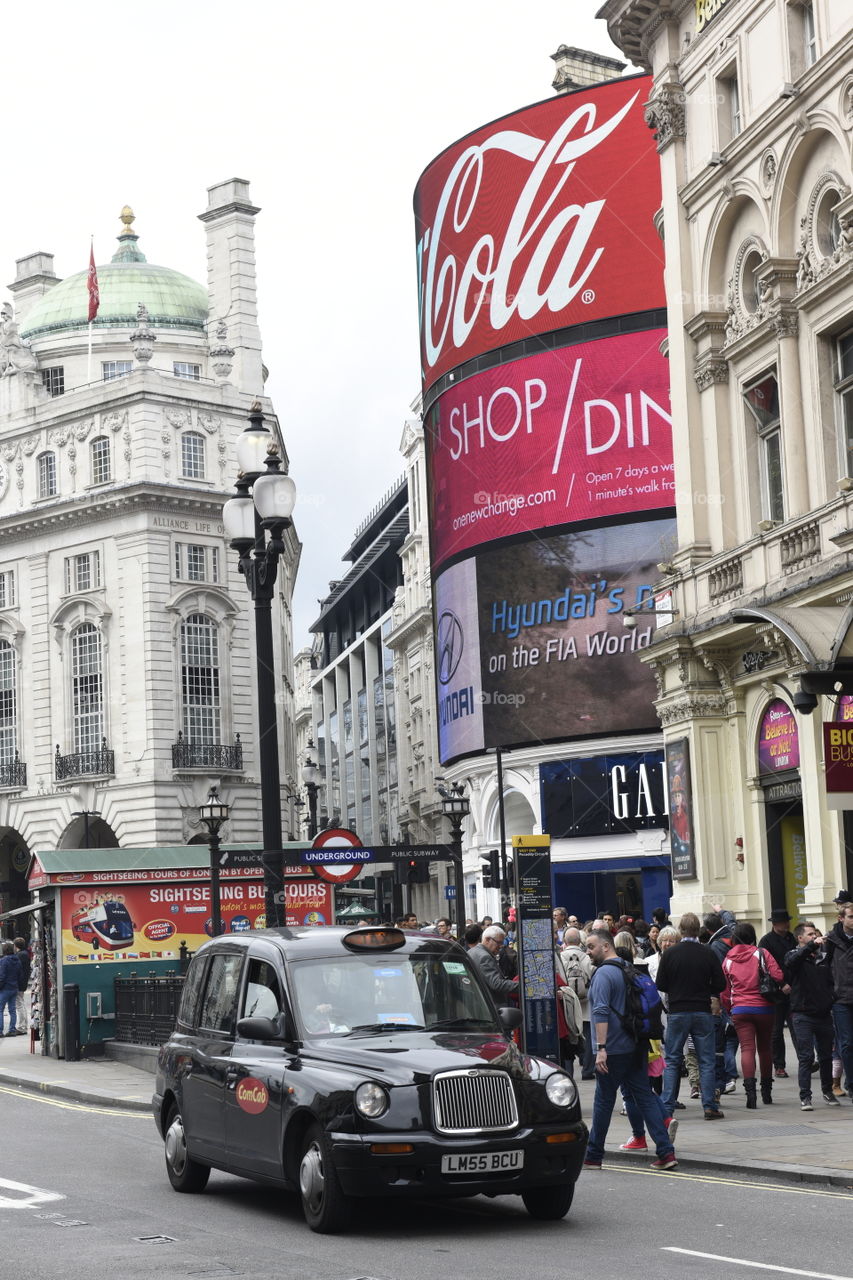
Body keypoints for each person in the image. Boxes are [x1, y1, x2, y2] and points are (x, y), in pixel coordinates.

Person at [582, 929, 677, 1171]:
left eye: (591, 946)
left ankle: (593, 1156)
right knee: (644, 1096)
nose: (588, 952)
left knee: (603, 1101)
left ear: (606, 946)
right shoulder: (628, 967)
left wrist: (600, 1048)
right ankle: (666, 1152)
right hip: (636, 1043)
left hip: (613, 1048)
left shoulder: (603, 974)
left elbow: (600, 1011)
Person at [655, 912, 726, 1120]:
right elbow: (720, 983)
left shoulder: (670, 953)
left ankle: (667, 1106)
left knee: (673, 1059)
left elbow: (661, 984)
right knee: (706, 1060)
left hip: (678, 1010)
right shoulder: (707, 952)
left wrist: (677, 989)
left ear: (681, 930)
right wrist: (706, 989)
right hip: (702, 1009)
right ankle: (709, 1106)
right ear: (698, 930)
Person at [721, 921, 784, 1107]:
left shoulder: (728, 960)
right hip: (764, 1008)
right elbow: (778, 976)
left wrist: (730, 1009)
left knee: (747, 1049)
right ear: (752, 937)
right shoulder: (761, 953)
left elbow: (724, 991)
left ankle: (750, 1094)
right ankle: (766, 1092)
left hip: (740, 1009)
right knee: (765, 1049)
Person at [785, 922, 840, 1110]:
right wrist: (811, 945)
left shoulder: (822, 956)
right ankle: (805, 1097)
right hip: (802, 1014)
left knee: (826, 1056)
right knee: (806, 1057)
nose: (814, 937)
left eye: (815, 934)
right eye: (809, 934)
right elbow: (791, 963)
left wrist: (832, 997)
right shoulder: (793, 955)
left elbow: (831, 978)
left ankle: (827, 1090)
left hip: (823, 1013)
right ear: (800, 938)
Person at [759, 909, 798, 1078]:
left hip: (794, 990)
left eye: (787, 921)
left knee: (797, 1027)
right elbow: (765, 967)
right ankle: (779, 1065)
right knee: (776, 1031)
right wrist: (780, 984)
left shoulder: (792, 938)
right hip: (775, 992)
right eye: (783, 922)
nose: (786, 924)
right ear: (775, 924)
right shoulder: (766, 941)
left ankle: (805, 1059)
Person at [824, 899, 853, 1101]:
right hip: (841, 999)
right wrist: (830, 994)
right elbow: (823, 969)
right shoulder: (831, 940)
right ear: (841, 918)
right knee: (847, 1043)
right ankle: (851, 1084)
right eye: (851, 917)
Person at [560, 927, 595, 1079]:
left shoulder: (560, 957)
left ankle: (568, 1073)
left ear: (565, 940)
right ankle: (587, 1071)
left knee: (568, 1037)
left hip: (567, 1002)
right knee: (588, 1035)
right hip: (586, 1001)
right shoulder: (587, 957)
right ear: (580, 941)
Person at [467, 926, 518, 1002]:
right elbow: (496, 984)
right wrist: (523, 986)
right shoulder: (484, 957)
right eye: (499, 942)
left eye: (502, 943)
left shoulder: (472, 951)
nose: (501, 946)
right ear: (487, 939)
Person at [0, 941, 21, 1035]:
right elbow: (20, 975)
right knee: (12, 1010)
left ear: (4, 950)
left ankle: (0, 1031)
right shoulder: (17, 960)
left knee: (0, 1009)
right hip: (14, 987)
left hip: (5, 988)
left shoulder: (3, 961)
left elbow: (2, 976)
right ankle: (12, 1030)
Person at [13, 937, 29, 1036]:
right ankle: (24, 1026)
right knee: (21, 1003)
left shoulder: (20, 955)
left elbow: (18, 970)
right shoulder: (25, 954)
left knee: (19, 1005)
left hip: (19, 983)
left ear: (16, 946)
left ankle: (22, 1027)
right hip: (23, 982)